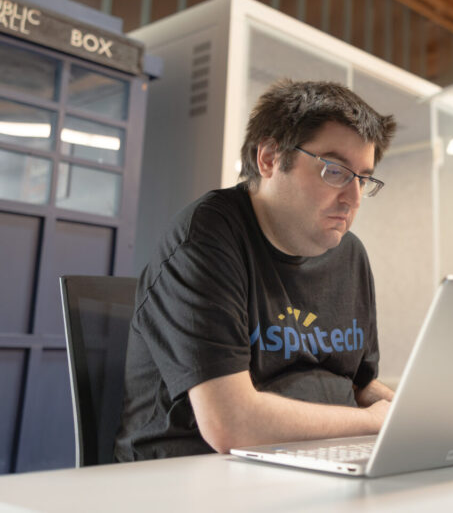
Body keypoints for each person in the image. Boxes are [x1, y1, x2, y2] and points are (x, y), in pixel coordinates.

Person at [115, 79, 397, 460]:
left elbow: (362, 387)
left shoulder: (350, 255)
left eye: (364, 179)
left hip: (314, 461)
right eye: (335, 171)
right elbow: (230, 425)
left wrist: (416, 416)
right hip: (195, 474)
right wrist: (373, 423)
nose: (353, 198)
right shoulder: (206, 239)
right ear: (268, 158)